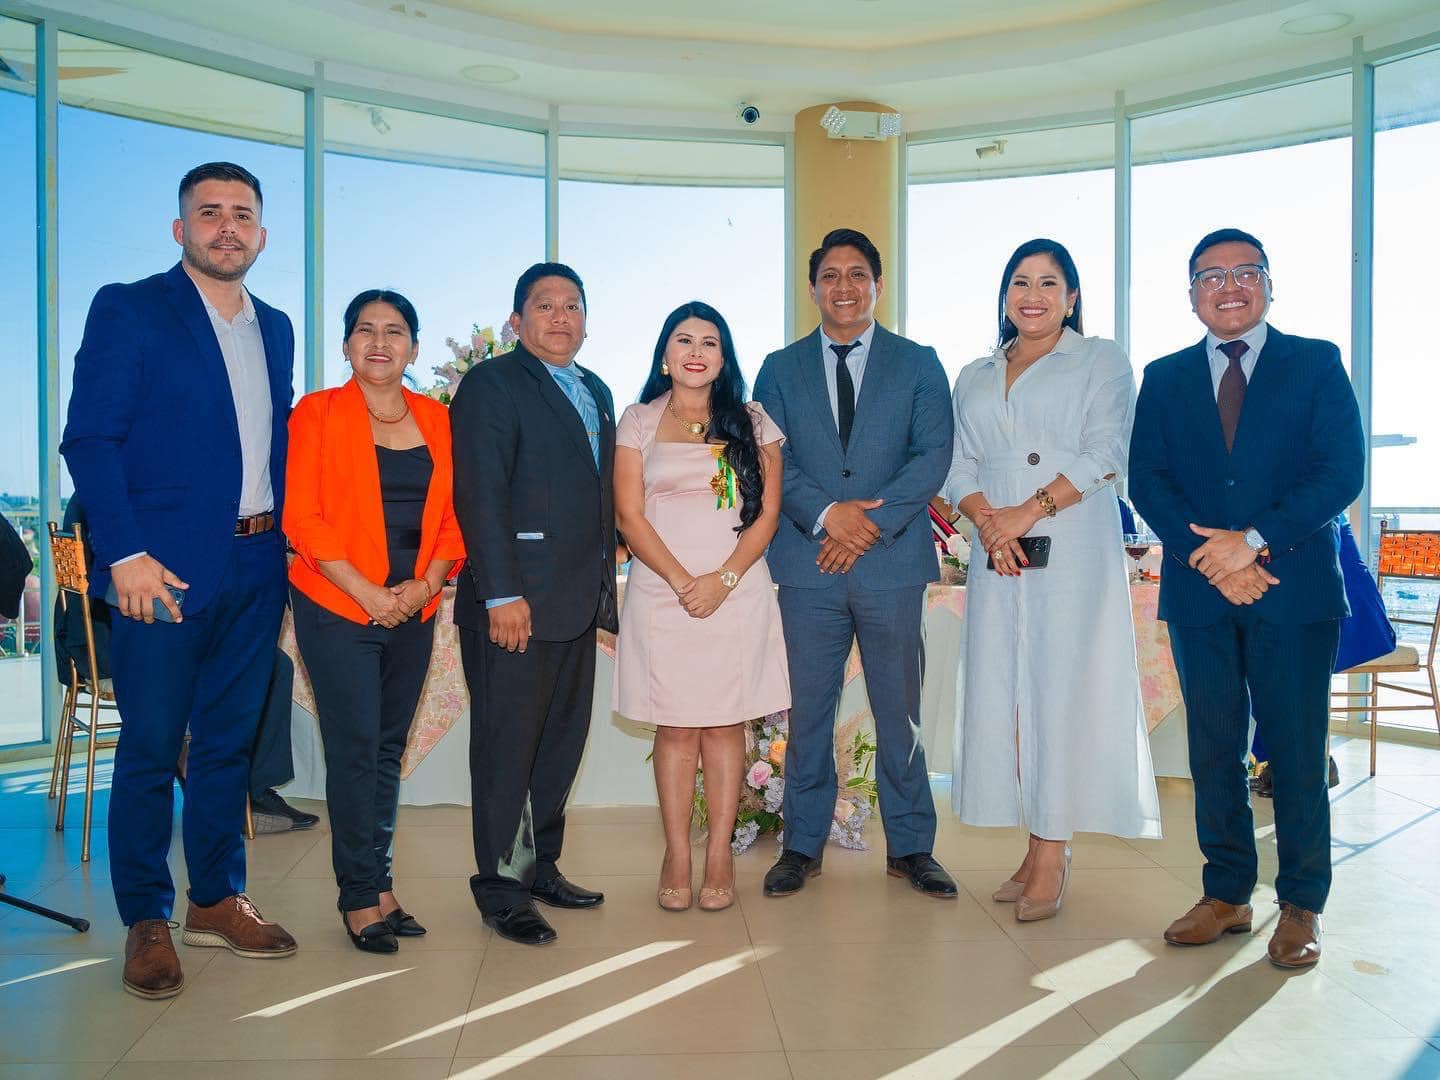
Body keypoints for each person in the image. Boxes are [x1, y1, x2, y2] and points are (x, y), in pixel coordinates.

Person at [60, 161, 297, 999]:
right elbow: (90, 438)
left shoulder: (276, 327)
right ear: (180, 228)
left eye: (242, 214)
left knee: (227, 745)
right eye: (209, 212)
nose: (227, 227)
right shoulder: (130, 308)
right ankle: (146, 918)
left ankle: (216, 899)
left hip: (258, 563)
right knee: (153, 745)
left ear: (261, 234)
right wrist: (122, 553)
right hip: (158, 572)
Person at [1129, 228, 1364, 969]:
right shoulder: (1164, 377)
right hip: (1201, 592)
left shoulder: (1316, 362)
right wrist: (1214, 558)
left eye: (1244, 272)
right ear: (1191, 293)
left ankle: (1302, 903)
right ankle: (1227, 893)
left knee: (1294, 753)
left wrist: (1252, 542)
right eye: (1211, 275)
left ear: (1268, 283)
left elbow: (1341, 471)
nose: (1228, 286)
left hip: (1293, 589)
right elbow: (1147, 480)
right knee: (1213, 749)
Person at [943, 238, 1161, 922]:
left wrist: (1026, 511)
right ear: (1004, 296)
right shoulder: (975, 373)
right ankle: (1034, 841)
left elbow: (1107, 452)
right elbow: (956, 465)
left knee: (1060, 694)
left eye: (1047, 282)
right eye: (1019, 282)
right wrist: (990, 523)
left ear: (1071, 297)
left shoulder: (1100, 359)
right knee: (1007, 695)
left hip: (1070, 540)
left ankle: (1052, 849)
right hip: (998, 550)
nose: (1031, 295)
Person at [753, 228, 957, 899]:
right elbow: (770, 461)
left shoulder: (919, 363)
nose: (844, 286)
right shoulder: (778, 369)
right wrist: (825, 515)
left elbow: (932, 455)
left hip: (891, 563)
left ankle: (912, 848)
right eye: (831, 275)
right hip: (807, 564)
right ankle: (801, 845)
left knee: (900, 715)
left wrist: (865, 524)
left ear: (878, 285)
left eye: (858, 274)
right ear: (813, 288)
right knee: (808, 714)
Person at [285, 289, 463, 953]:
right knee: (356, 747)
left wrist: (424, 586)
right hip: (337, 604)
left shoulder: (438, 419)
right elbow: (302, 517)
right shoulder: (317, 413)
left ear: (413, 347)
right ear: (346, 344)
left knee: (388, 747)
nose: (379, 342)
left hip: (414, 604)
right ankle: (358, 896)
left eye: (394, 331)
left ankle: (381, 884)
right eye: (365, 330)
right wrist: (368, 594)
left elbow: (455, 516)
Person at [450, 263, 618, 946]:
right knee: (507, 751)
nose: (560, 317)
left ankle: (541, 866)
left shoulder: (596, 390)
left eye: (572, 306)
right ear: (517, 320)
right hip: (513, 603)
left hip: (576, 601)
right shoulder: (491, 384)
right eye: (545, 306)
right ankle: (502, 890)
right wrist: (501, 591)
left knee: (558, 745)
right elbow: (480, 491)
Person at [613, 302, 789, 912]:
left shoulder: (754, 421)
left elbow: (768, 513)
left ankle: (718, 854)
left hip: (736, 591)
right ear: (665, 355)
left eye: (709, 342)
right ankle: (676, 853)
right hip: (663, 593)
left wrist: (723, 579)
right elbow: (629, 514)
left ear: (723, 357)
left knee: (724, 723)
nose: (696, 351)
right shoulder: (638, 420)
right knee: (676, 724)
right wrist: (684, 580)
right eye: (683, 340)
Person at [59, 499, 315, 833]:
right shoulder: (122, 508)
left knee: (270, 664)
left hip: (88, 635)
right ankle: (247, 790)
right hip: (112, 632)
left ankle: (226, 781)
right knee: (267, 669)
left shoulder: (91, 503)